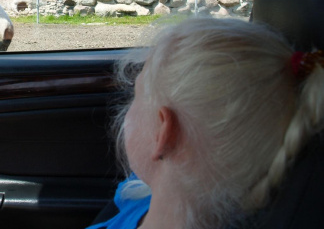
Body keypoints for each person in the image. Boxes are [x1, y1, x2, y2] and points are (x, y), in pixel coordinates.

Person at [89, 17, 324, 229]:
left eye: (136, 94)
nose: (126, 109)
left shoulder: (140, 197)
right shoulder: (139, 193)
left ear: (163, 132)